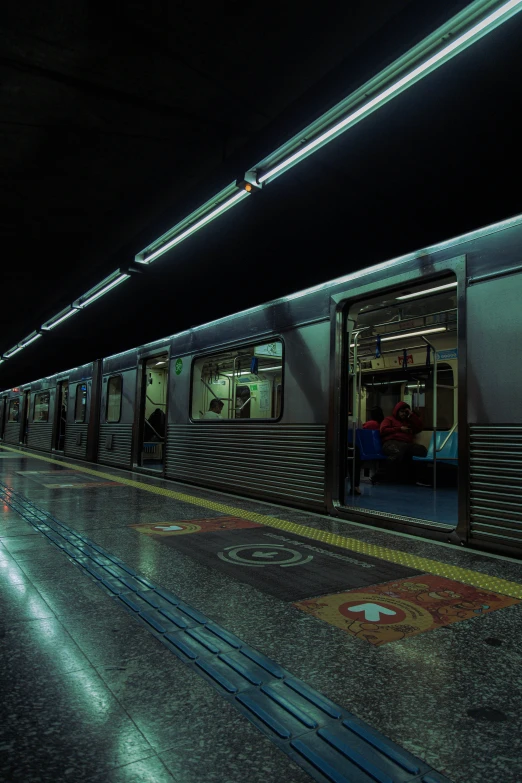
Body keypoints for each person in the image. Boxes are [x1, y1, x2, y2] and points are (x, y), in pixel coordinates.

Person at [380, 401, 427, 483]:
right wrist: (399, 429)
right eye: (401, 411)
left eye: (405, 412)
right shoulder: (389, 419)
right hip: (390, 443)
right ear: (397, 411)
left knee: (421, 449)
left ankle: (420, 478)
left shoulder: (408, 422)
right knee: (399, 451)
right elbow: (383, 430)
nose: (404, 414)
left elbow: (420, 427)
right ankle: (380, 475)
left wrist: (411, 415)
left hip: (406, 444)